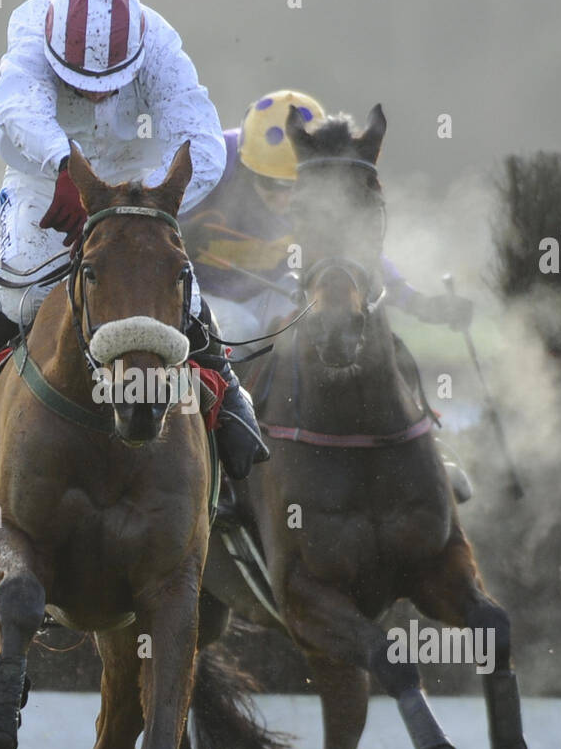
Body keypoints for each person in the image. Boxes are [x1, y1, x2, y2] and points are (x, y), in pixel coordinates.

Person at [0, 0, 269, 483]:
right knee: (29, 290)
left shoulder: (161, 45)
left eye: (109, 86)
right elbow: (17, 108)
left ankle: (229, 391)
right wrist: (64, 165)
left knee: (172, 288)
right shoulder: (31, 28)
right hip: (46, 174)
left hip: (136, 181)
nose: (96, 97)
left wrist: (145, 205)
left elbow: (202, 140)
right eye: (79, 83)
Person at [180, 89, 476, 499]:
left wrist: (418, 302)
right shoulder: (207, 163)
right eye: (269, 185)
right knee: (243, 330)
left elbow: (359, 255)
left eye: (294, 187)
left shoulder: (323, 184)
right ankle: (219, 466)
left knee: (341, 323)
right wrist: (176, 233)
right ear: (247, 166)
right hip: (210, 296)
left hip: (279, 286)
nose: (283, 200)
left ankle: (419, 441)